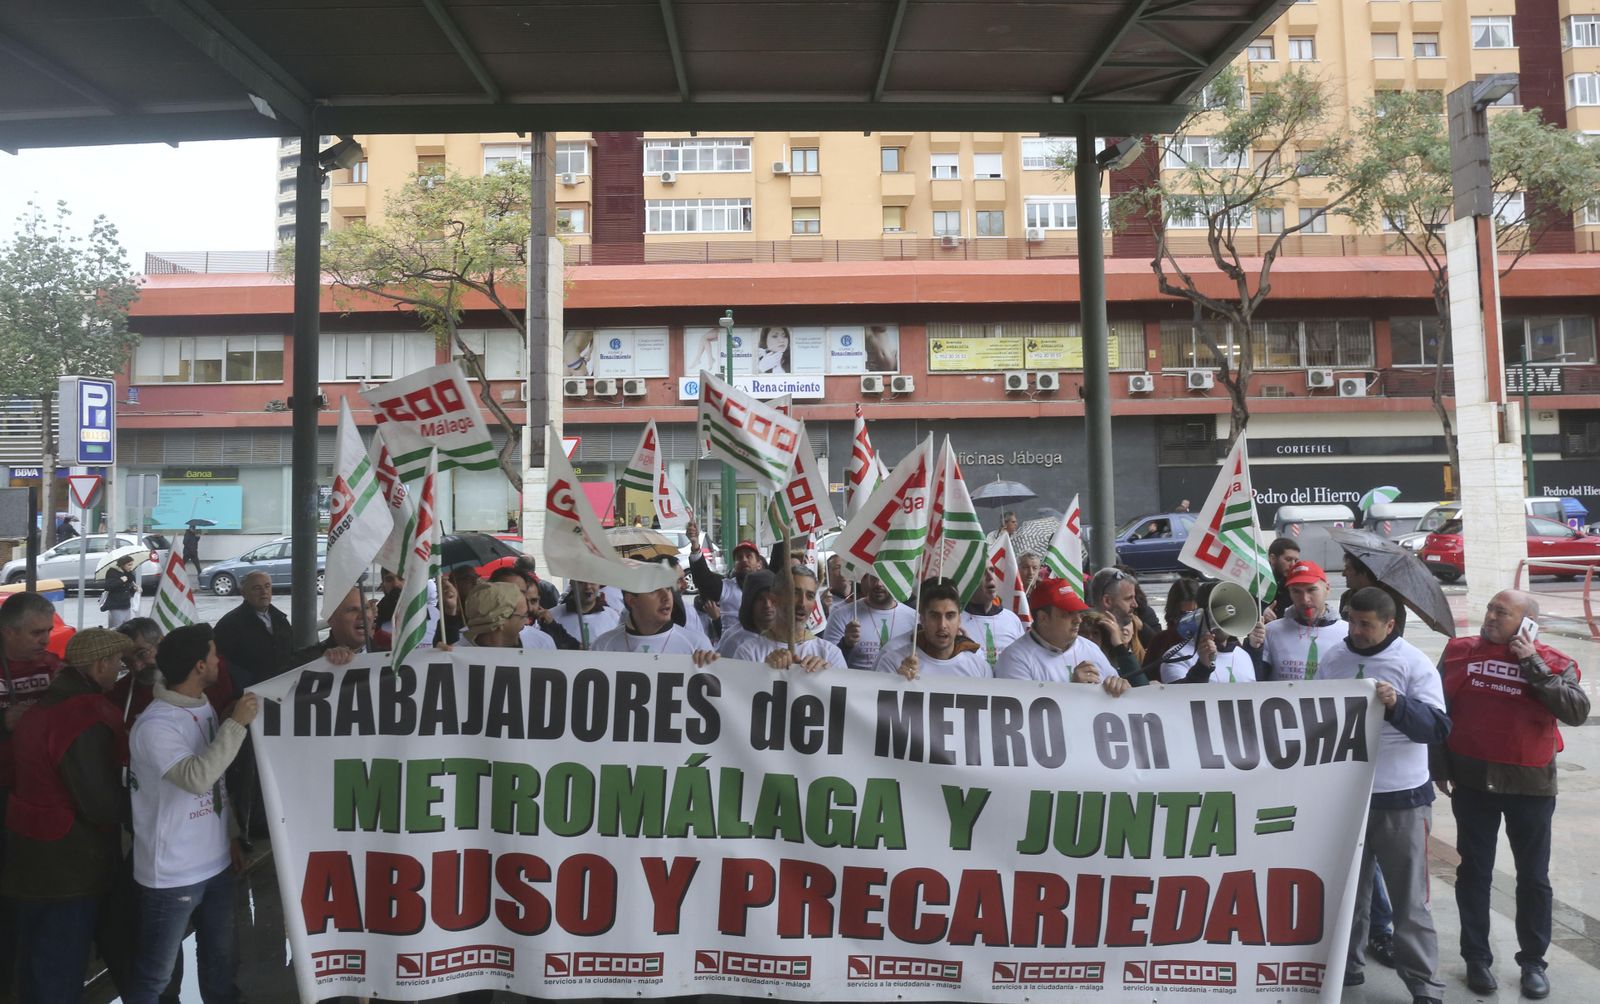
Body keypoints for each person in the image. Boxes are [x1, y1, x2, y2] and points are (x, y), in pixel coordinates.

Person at [1434, 590, 1588, 1000]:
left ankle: (1533, 962)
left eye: (1502, 612)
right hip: (1471, 783)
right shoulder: (1458, 652)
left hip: (1530, 787)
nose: (1490, 617)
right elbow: (1438, 708)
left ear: (1527, 623)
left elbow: (1576, 711)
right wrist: (1440, 765)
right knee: (1474, 873)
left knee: (1533, 878)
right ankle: (1476, 958)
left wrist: (1530, 662)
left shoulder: (1555, 662)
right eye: (1489, 609)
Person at [1318, 588, 1449, 1002]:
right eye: (1352, 621)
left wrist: (1397, 706)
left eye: (1365, 624)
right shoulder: (1334, 658)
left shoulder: (1413, 662)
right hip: (1347, 796)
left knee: (1409, 901)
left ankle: (1423, 986)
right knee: (1347, 896)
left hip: (1402, 797)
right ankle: (1347, 968)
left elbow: (1438, 729)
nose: (1355, 631)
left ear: (1389, 624)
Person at [126, 623, 259, 1004]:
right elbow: (197, 777)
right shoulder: (155, 725)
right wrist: (236, 725)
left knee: (220, 963)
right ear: (200, 665)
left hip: (215, 865)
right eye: (215, 654)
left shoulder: (202, 706)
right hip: (172, 875)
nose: (221, 661)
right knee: (156, 975)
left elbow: (217, 784)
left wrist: (231, 835)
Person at [994, 578, 1121, 691]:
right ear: (1043, 618)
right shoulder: (1015, 659)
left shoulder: (1090, 648)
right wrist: (1073, 690)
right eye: (1067, 614)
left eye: (1078, 612)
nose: (1078, 620)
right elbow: (1024, 714)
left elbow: (1116, 690)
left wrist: (1119, 687)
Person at [731, 567, 846, 672]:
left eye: (810, 596)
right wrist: (764, 672)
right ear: (774, 599)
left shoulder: (830, 654)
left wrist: (827, 676)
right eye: (795, 593)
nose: (802, 603)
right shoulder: (748, 653)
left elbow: (844, 693)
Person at [874, 580, 990, 679]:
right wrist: (896, 683)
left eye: (950, 616)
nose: (942, 625)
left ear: (959, 620)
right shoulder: (893, 662)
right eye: (934, 616)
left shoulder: (980, 669)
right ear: (922, 620)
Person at [1252, 559, 1346, 681]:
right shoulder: (1271, 631)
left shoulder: (1347, 632)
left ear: (1327, 588)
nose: (1305, 599)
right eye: (1296, 591)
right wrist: (1253, 649)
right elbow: (1254, 682)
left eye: (1311, 590)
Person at [591, 586, 720, 664]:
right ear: (631, 600)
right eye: (654, 590)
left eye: (668, 589)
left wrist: (710, 669)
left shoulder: (697, 645)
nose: (666, 597)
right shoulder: (603, 646)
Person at [211, 571, 292, 692]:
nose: (264, 592)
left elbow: (292, 652)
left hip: (282, 688)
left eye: (267, 586)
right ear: (243, 593)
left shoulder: (280, 618)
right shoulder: (230, 624)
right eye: (256, 588)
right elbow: (222, 664)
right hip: (249, 693)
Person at [685, 520, 766, 639]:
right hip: (729, 653)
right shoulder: (726, 588)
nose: (744, 560)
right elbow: (703, 579)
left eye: (749, 556)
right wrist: (695, 545)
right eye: (739, 557)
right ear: (735, 565)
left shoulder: (769, 589)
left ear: (759, 563)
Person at [822, 572, 915, 670]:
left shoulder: (914, 618)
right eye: (874, 577)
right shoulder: (841, 615)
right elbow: (827, 663)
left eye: (885, 577)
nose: (878, 584)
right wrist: (845, 645)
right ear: (866, 580)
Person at [1086, 567, 1148, 682]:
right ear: (1107, 601)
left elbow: (1142, 686)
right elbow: (1139, 686)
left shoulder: (1118, 633)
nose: (1135, 604)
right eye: (1128, 598)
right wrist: (1120, 647)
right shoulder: (1087, 637)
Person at [961, 568, 1025, 669]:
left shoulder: (1011, 619)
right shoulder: (956, 622)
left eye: (992, 570)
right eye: (982, 573)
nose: (990, 577)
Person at [292, 587, 368, 667]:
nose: (363, 615)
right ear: (331, 618)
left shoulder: (381, 652)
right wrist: (320, 665)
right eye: (352, 609)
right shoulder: (305, 660)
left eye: (366, 608)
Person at [1141, 578, 1202, 676]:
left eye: (1196, 614)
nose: (1190, 620)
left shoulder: (1211, 640)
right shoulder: (1160, 641)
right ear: (1174, 612)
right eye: (1185, 615)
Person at [1339, 551, 1408, 635]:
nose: (1343, 574)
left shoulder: (1390, 601)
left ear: (1364, 573)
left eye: (1348, 569)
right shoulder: (1347, 597)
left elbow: (1395, 637)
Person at [456, 581, 530, 649]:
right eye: (524, 616)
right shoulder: (453, 657)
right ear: (501, 621)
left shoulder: (535, 648)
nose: (527, 622)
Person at [555, 580, 620, 650]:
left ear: (599, 584)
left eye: (592, 581)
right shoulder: (553, 616)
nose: (588, 587)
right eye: (581, 582)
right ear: (572, 584)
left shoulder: (614, 617)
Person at [1265, 537, 1301, 619]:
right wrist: (1261, 611)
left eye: (1296, 561)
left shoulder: (1296, 583)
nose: (1293, 565)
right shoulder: (1258, 580)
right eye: (1288, 559)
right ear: (1273, 558)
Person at [102, 555, 140, 630]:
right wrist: (120, 581)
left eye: (132, 564)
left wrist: (134, 588)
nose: (131, 566)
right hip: (116, 604)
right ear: (122, 564)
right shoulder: (112, 572)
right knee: (118, 627)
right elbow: (108, 586)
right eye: (129, 565)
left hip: (126, 604)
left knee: (127, 627)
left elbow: (129, 586)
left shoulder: (128, 573)